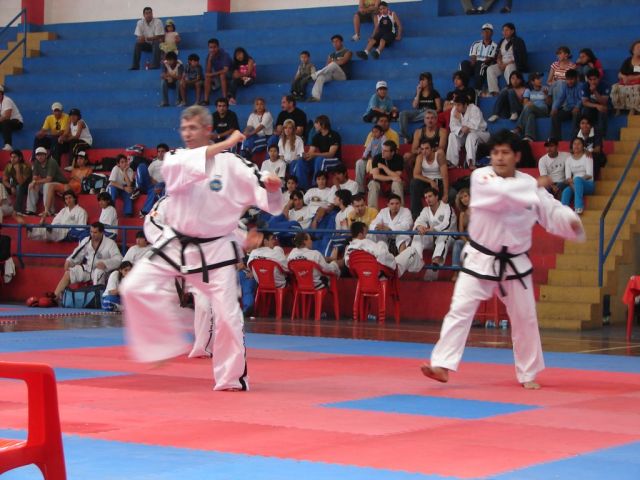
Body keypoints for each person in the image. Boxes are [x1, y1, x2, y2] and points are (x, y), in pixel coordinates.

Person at [121, 106, 282, 392]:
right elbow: (195, 161)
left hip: (217, 250)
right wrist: (227, 142)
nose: (186, 134)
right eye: (183, 129)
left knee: (229, 318)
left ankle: (230, 378)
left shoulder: (233, 166)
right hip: (176, 243)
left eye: (193, 128)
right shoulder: (175, 158)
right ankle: (162, 344)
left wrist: (272, 187)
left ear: (207, 129)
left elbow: (264, 192)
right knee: (133, 286)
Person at [421, 129, 585, 389]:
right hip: (480, 257)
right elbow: (502, 195)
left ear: (517, 156)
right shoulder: (481, 177)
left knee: (525, 318)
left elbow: (551, 211)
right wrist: (534, 185)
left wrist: (570, 223)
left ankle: (528, 373)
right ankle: (441, 365)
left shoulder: (532, 188)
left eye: (505, 153)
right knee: (460, 311)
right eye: (495, 153)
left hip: (515, 261)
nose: (499, 158)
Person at [54, 222, 123, 300]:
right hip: (88, 268)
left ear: (102, 232)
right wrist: (70, 261)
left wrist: (106, 263)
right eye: (91, 232)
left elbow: (119, 258)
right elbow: (78, 253)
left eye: (95, 232)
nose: (92, 234)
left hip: (103, 271)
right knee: (68, 274)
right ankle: (55, 297)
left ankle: (97, 300)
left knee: (98, 272)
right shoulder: (87, 240)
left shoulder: (110, 243)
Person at [345, 221, 424, 278]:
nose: (367, 235)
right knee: (411, 250)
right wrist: (392, 259)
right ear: (360, 234)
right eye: (366, 233)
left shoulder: (348, 249)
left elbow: (349, 265)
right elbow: (382, 254)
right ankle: (420, 268)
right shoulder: (366, 243)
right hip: (384, 274)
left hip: (363, 277)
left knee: (382, 245)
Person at [413, 187, 456, 281]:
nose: (428, 199)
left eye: (430, 196)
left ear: (437, 197)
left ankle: (436, 259)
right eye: (426, 197)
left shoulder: (447, 208)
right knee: (418, 234)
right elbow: (419, 221)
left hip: (450, 238)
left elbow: (447, 224)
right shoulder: (425, 210)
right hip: (433, 237)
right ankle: (417, 259)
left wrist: (434, 229)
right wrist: (420, 227)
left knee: (444, 234)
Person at [17, 190, 87, 242]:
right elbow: (55, 222)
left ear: (74, 198)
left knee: (48, 231)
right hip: (58, 230)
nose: (68, 200)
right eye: (66, 198)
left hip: (70, 233)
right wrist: (54, 227)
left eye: (70, 198)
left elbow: (82, 228)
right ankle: (35, 227)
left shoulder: (81, 211)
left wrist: (68, 229)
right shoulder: (63, 210)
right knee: (48, 231)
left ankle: (31, 228)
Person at [446, 92, 490, 168]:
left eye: (459, 105)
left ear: (466, 105)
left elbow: (473, 127)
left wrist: (460, 119)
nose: (456, 107)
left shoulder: (474, 109)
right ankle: (452, 162)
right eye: (455, 104)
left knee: (471, 135)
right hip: (464, 134)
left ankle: (470, 163)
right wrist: (461, 128)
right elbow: (452, 127)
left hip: (481, 134)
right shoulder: (454, 110)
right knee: (452, 135)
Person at [410, 139, 449, 219]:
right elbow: (415, 175)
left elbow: (445, 176)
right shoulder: (420, 157)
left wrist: (446, 194)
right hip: (426, 182)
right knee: (414, 183)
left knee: (452, 194)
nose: (424, 151)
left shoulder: (438, 156)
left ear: (432, 149)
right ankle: (417, 215)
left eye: (427, 148)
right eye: (422, 149)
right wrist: (430, 181)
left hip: (438, 182)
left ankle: (443, 215)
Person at [399, 72, 442, 143]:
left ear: (429, 81)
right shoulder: (419, 92)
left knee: (427, 112)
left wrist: (430, 113)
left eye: (423, 80)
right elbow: (414, 106)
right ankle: (406, 135)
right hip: (419, 112)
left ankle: (412, 122)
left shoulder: (434, 93)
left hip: (430, 112)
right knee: (402, 113)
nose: (421, 82)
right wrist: (418, 92)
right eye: (420, 80)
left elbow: (439, 108)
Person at [486, 23, 527, 96]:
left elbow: (520, 56)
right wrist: (499, 63)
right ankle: (495, 92)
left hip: (513, 63)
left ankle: (511, 89)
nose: (504, 32)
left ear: (512, 31)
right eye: (503, 30)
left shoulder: (518, 41)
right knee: (490, 69)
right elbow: (498, 55)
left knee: (509, 68)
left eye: (507, 30)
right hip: (502, 63)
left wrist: (506, 64)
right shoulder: (502, 41)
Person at [405, 110, 448, 178]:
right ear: (424, 120)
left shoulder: (442, 131)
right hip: (422, 155)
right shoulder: (418, 132)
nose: (429, 120)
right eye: (427, 118)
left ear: (436, 119)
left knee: (440, 153)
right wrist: (421, 152)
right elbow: (413, 149)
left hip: (436, 156)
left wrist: (427, 152)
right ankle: (412, 180)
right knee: (407, 156)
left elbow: (441, 148)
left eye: (432, 118)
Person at [26, 146, 68, 216]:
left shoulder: (51, 162)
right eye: (38, 155)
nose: (40, 157)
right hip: (49, 183)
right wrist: (34, 182)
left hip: (60, 183)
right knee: (32, 185)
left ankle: (49, 211)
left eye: (42, 155)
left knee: (47, 185)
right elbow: (35, 177)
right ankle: (31, 210)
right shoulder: (36, 162)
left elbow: (49, 179)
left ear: (46, 155)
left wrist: (36, 182)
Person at [309, 35, 352, 102]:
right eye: (333, 42)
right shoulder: (331, 55)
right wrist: (335, 62)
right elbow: (327, 67)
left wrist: (334, 62)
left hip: (342, 76)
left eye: (337, 41)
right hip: (331, 75)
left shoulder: (348, 52)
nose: (335, 43)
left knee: (333, 64)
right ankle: (315, 97)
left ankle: (314, 75)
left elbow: (343, 62)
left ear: (341, 42)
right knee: (321, 76)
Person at [303, 115, 342, 188]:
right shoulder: (316, 137)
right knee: (301, 162)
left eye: (316, 123)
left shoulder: (334, 135)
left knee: (319, 160)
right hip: (321, 159)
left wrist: (315, 154)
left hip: (335, 160)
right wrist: (305, 156)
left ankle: (315, 185)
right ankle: (302, 187)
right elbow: (311, 153)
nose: (314, 125)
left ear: (323, 125)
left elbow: (331, 154)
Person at [512, 72, 551, 142]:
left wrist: (546, 95)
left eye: (540, 78)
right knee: (530, 115)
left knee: (529, 107)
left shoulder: (545, 88)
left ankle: (518, 128)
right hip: (532, 110)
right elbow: (525, 103)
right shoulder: (528, 90)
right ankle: (529, 137)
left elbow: (549, 104)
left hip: (543, 110)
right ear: (532, 82)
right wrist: (530, 104)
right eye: (538, 79)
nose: (540, 80)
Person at [460, 23, 498, 92]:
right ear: (481, 33)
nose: (486, 33)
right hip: (474, 64)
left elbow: (489, 59)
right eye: (484, 31)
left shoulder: (494, 45)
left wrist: (477, 63)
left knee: (480, 64)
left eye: (488, 31)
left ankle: (477, 90)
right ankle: (463, 87)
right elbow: (472, 56)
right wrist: (473, 63)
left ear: (492, 33)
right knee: (464, 63)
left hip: (484, 66)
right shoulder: (476, 43)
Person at [561, 137, 594, 215]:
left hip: (588, 184)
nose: (576, 146)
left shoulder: (587, 157)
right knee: (566, 191)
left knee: (577, 179)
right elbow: (568, 178)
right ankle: (563, 213)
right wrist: (575, 187)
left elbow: (589, 175)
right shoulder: (568, 160)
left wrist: (576, 181)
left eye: (579, 144)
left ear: (583, 146)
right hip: (575, 184)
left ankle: (578, 206)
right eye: (574, 144)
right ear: (572, 146)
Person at [368, 139, 404, 208]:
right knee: (372, 183)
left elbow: (397, 176)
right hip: (380, 185)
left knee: (397, 183)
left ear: (392, 152)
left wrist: (384, 167)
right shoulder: (377, 158)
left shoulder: (399, 158)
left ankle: (400, 210)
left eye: (385, 151)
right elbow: (375, 176)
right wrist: (391, 177)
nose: (382, 152)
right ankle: (372, 211)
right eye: (382, 150)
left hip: (393, 186)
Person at [550, 69, 582, 140]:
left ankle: (574, 138)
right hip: (568, 109)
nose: (569, 81)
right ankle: (556, 139)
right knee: (555, 115)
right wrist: (554, 108)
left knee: (576, 114)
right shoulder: (565, 86)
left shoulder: (580, 86)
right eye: (568, 79)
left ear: (576, 79)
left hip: (578, 110)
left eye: (571, 79)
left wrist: (577, 107)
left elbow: (581, 99)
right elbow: (560, 98)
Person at [610, 40, 640, 116]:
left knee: (636, 89)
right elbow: (620, 73)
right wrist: (624, 77)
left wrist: (632, 78)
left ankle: (633, 109)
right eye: (638, 48)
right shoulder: (627, 61)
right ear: (632, 50)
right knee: (615, 88)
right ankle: (618, 108)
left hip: (637, 82)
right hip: (626, 81)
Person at [139, 143, 168, 216]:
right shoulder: (154, 164)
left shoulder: (170, 163)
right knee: (142, 166)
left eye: (162, 151)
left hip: (164, 186)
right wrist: (155, 183)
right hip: (153, 185)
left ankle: (146, 211)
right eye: (159, 151)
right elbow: (147, 176)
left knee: (158, 189)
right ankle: (149, 212)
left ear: (167, 153)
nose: (160, 153)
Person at [355, 124, 386, 192]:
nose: (374, 134)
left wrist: (375, 158)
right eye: (373, 132)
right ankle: (360, 190)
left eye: (376, 132)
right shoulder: (372, 140)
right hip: (371, 159)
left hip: (381, 160)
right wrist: (364, 156)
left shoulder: (383, 139)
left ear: (381, 133)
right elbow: (368, 149)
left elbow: (384, 150)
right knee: (359, 162)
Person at [201, 38, 232, 106]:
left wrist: (212, 74)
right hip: (218, 75)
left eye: (214, 47)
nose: (212, 49)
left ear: (218, 47)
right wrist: (209, 60)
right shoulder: (209, 55)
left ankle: (225, 98)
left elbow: (225, 70)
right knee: (207, 78)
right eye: (210, 47)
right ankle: (206, 100)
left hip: (229, 75)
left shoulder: (224, 55)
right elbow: (208, 71)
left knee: (222, 75)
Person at [581, 68, 610, 137]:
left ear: (599, 78)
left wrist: (594, 91)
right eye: (590, 80)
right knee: (585, 110)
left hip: (605, 106)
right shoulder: (585, 86)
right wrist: (596, 106)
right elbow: (584, 102)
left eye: (594, 79)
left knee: (602, 110)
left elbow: (604, 102)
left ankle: (601, 137)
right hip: (593, 107)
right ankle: (585, 135)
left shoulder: (605, 85)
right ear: (587, 79)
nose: (592, 82)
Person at [450, 188, 470, 282]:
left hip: (479, 240)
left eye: (465, 196)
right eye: (461, 198)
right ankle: (456, 271)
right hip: (467, 240)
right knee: (458, 243)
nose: (464, 199)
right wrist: (467, 242)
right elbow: (461, 231)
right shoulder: (462, 214)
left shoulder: (479, 210)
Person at [3, 149, 31, 214]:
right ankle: (4, 206)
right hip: (14, 185)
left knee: (19, 186)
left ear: (20, 158)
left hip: (26, 187)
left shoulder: (26, 166)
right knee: (1, 184)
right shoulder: (9, 166)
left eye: (14, 157)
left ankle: (18, 210)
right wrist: (11, 186)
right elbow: (4, 180)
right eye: (11, 157)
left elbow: (21, 182)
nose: (12, 159)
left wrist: (18, 170)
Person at [0, 85, 23, 151]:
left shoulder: (7, 100)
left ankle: (8, 145)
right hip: (4, 123)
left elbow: (7, 116)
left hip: (17, 122)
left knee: (5, 122)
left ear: (2, 93)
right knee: (4, 123)